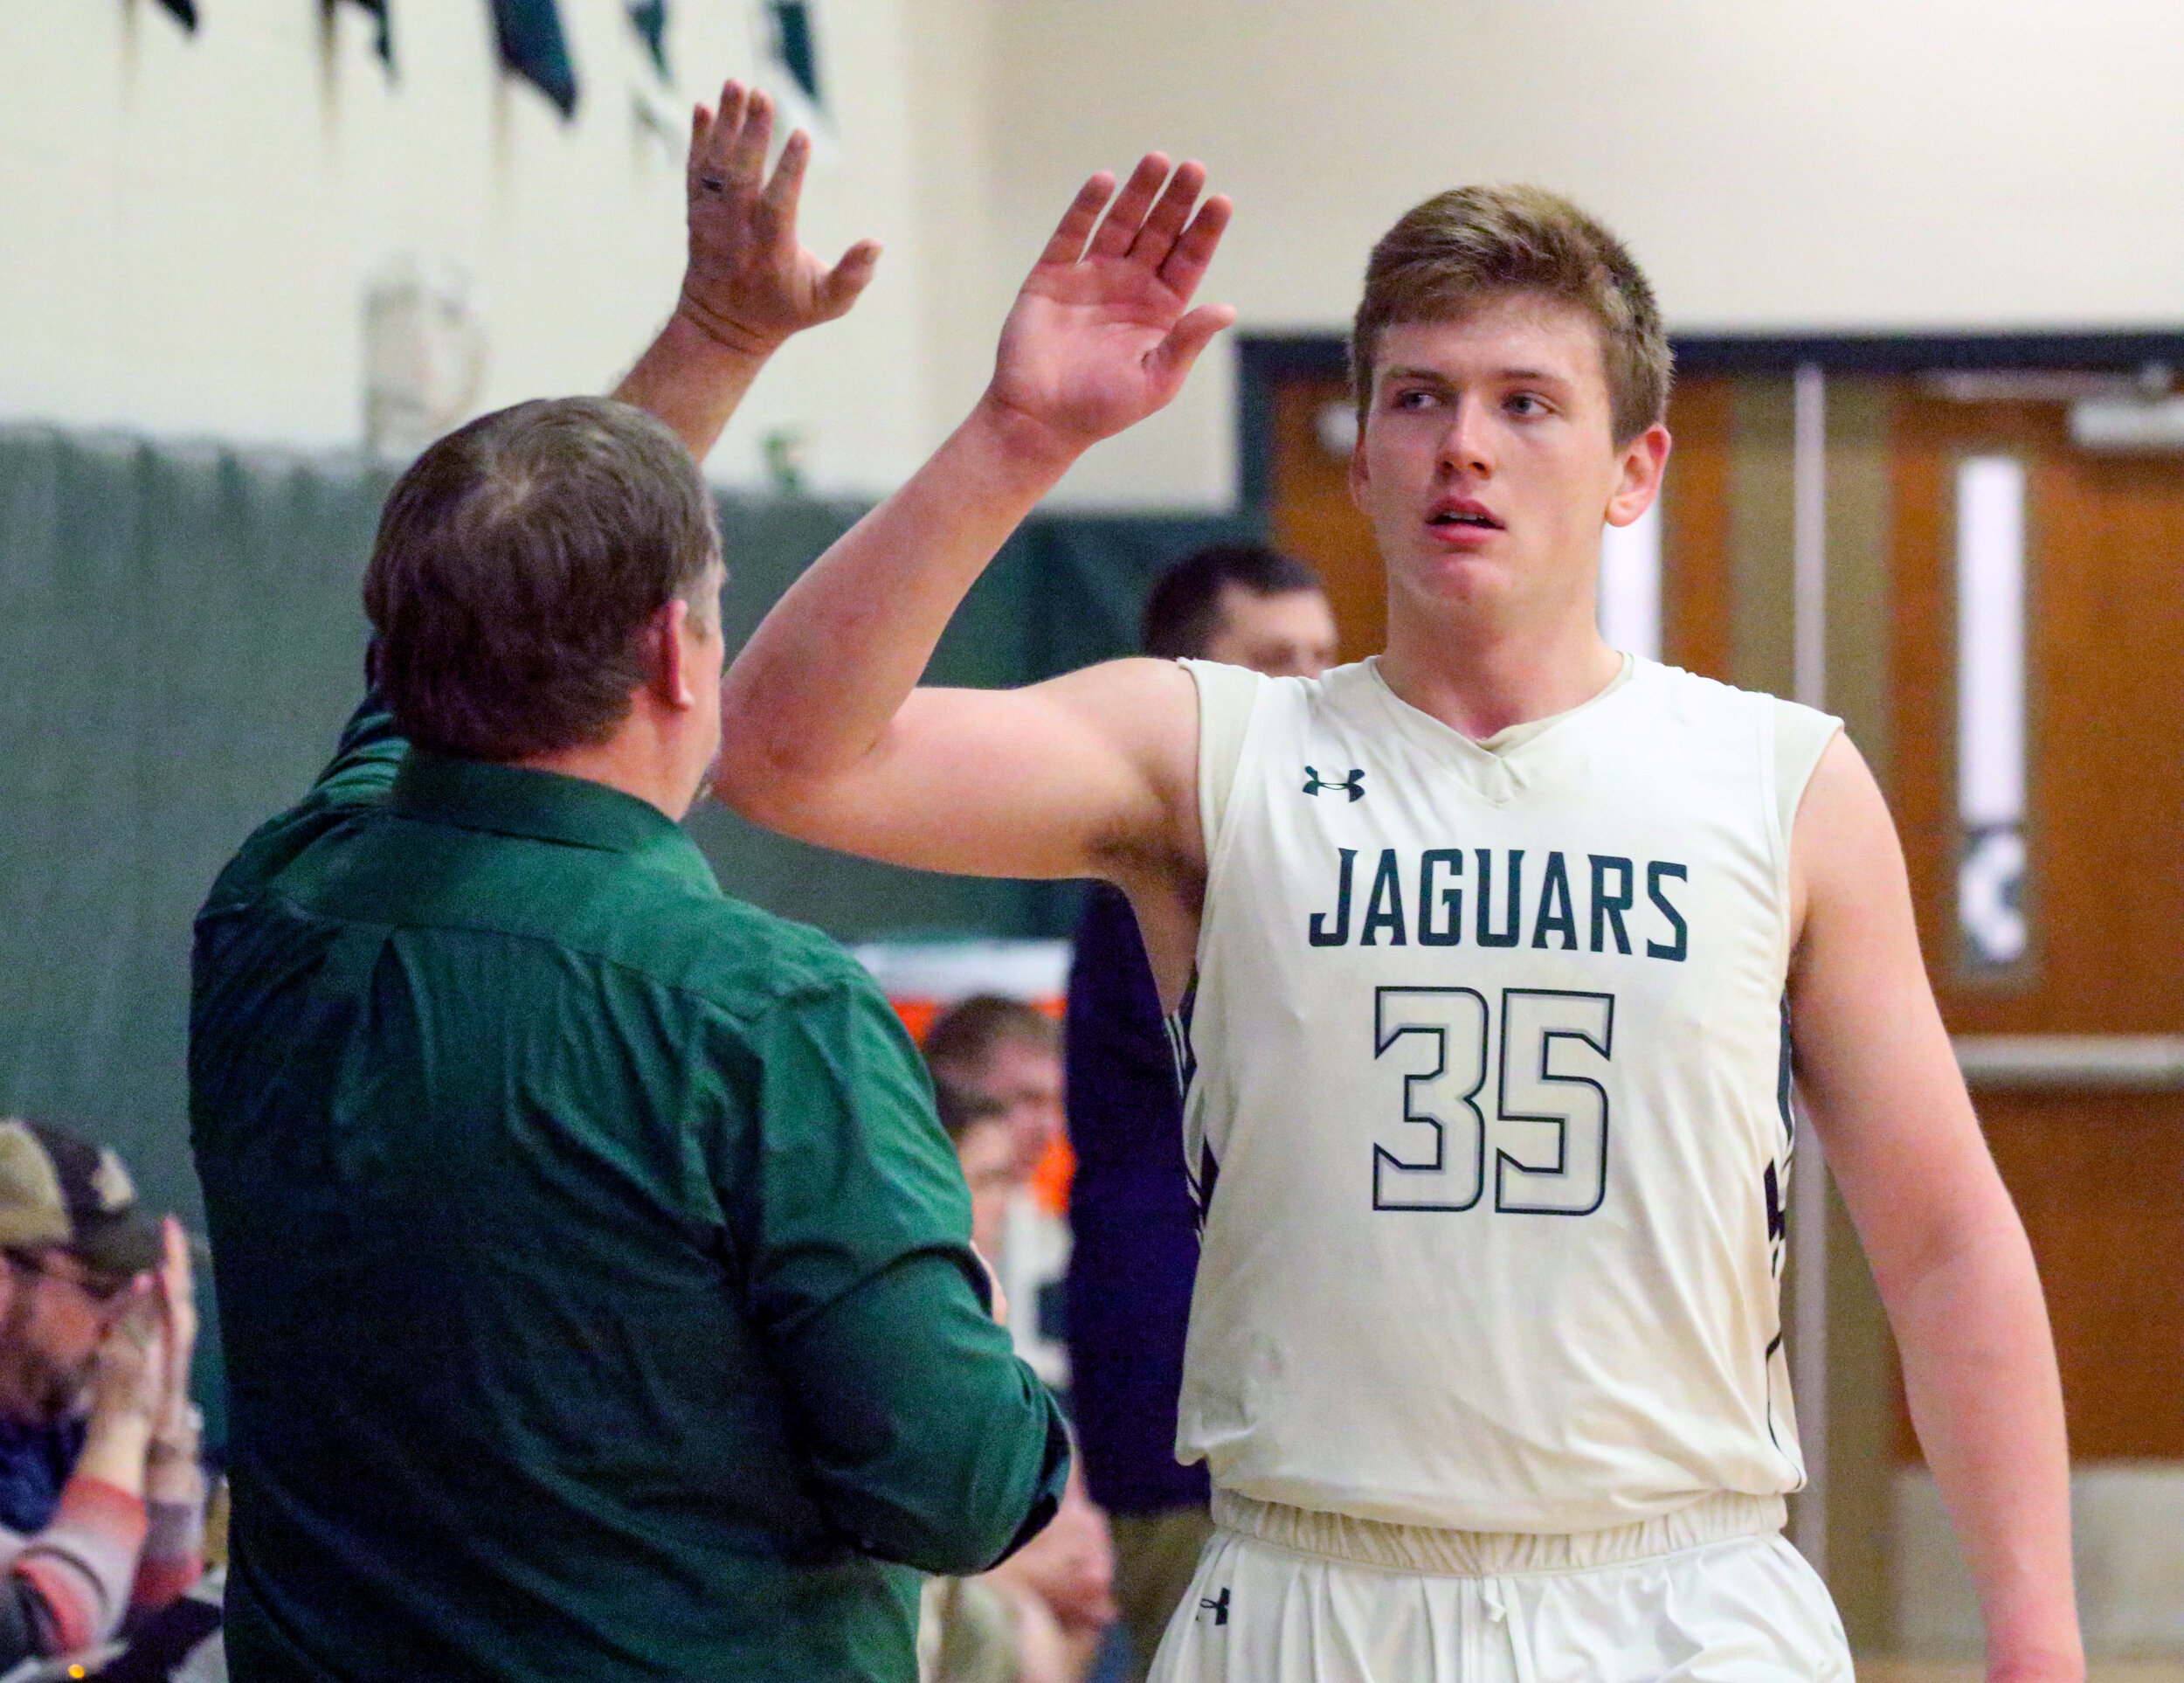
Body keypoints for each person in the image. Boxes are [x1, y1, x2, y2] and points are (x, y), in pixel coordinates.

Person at [702, 157, 2083, 1682]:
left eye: (1526, 402)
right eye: (1417, 399)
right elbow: (782, 753)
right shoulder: (1207, 755)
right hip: (1311, 1587)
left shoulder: (1782, 783)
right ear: (1360, 458)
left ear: (1637, 468)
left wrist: (2036, 1627)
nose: (1463, 448)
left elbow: (1946, 1239)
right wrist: (1017, 440)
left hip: (1679, 1596)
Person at [188, 82, 1067, 1683]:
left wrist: (719, 340)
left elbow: (456, 638)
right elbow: (959, 1483)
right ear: (681, 648)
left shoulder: (272, 912)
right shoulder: (765, 1012)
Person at [1061, 544, 1336, 1680]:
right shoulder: (1172, 859)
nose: (1312, 687)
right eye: (1277, 661)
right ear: (1185, 682)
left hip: (1284, 1395)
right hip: (1191, 1393)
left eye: (1327, 657)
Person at [0, 1117, 204, 1664]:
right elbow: (35, 1627)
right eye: (103, 1289)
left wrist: (165, 1435)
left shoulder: (55, 1413)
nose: (127, 1323)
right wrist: (123, 1429)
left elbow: (159, 1630)